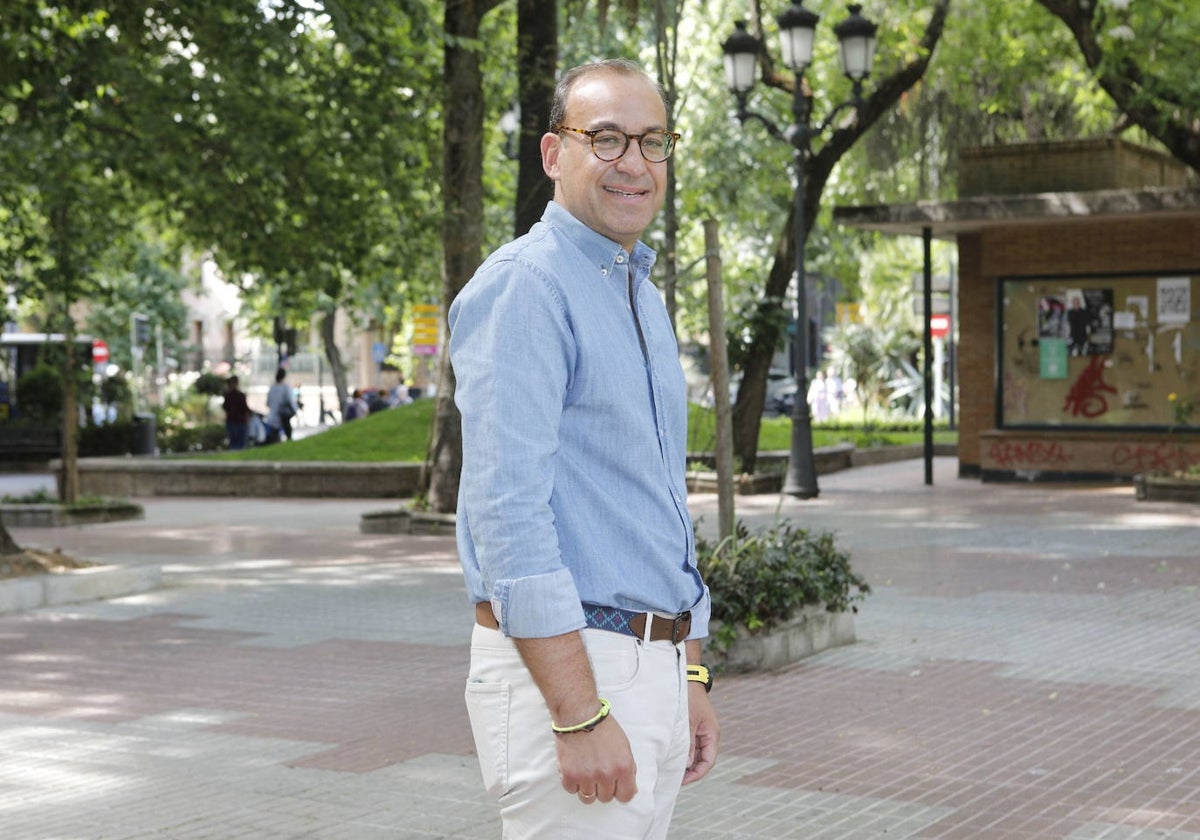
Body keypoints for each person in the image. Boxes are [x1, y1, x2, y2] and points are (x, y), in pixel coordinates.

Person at [448, 59, 718, 839]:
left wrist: (687, 669)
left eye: (653, 140)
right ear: (552, 154)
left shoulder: (639, 291)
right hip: (575, 675)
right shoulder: (528, 286)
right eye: (605, 138)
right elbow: (508, 516)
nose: (633, 162)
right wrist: (576, 713)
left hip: (651, 668)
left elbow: (656, 500)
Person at [265, 368, 297, 442]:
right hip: (282, 417)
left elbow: (268, 403)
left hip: (272, 418)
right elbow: (290, 401)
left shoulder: (272, 388)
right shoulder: (286, 388)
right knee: (287, 436)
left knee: (274, 439)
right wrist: (295, 410)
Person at [221, 375, 251, 450]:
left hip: (232, 421)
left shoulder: (228, 395)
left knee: (233, 443)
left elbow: (225, 407)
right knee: (241, 444)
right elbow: (245, 409)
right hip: (240, 422)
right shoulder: (240, 395)